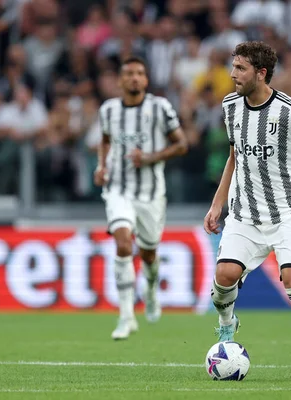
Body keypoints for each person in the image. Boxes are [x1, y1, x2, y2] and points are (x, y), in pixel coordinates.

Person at [203, 41, 291, 382]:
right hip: (244, 214)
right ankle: (227, 325)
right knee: (223, 279)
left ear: (261, 73)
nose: (232, 74)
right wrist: (218, 204)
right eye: (233, 67)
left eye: (240, 68)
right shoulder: (230, 106)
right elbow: (235, 158)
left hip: (286, 213)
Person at [94, 56, 188, 340]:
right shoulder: (108, 110)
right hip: (118, 190)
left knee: (148, 253)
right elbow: (106, 140)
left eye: (139, 73)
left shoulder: (160, 107)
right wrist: (101, 166)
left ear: (146, 80)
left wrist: (150, 157)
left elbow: (182, 144)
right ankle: (126, 316)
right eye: (129, 74)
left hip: (150, 194)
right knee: (123, 244)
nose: (134, 78)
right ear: (121, 80)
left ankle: (150, 288)